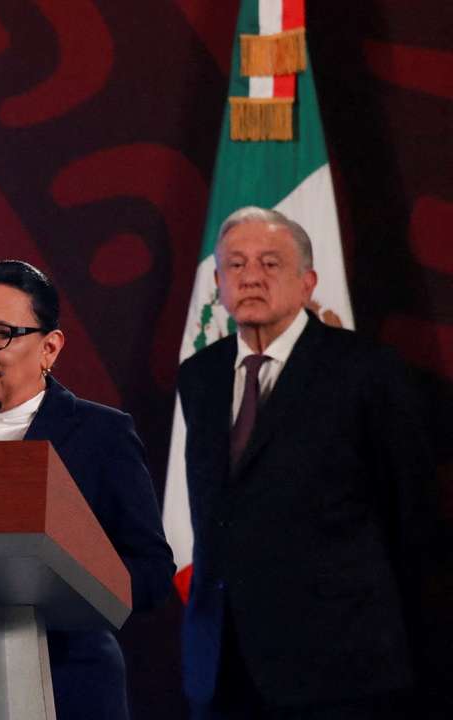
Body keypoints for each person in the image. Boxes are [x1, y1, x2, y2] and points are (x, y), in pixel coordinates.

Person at [178, 207, 436, 718]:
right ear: (218, 283)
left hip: (340, 664)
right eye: (235, 264)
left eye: (270, 263)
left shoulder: (366, 369)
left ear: (308, 282)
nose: (251, 276)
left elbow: (411, 513)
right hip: (223, 663)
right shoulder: (199, 375)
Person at [0, 259, 174, 720]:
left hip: (68, 685)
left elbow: (152, 574)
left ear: (49, 348)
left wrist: (67, 577)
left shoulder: (100, 434)